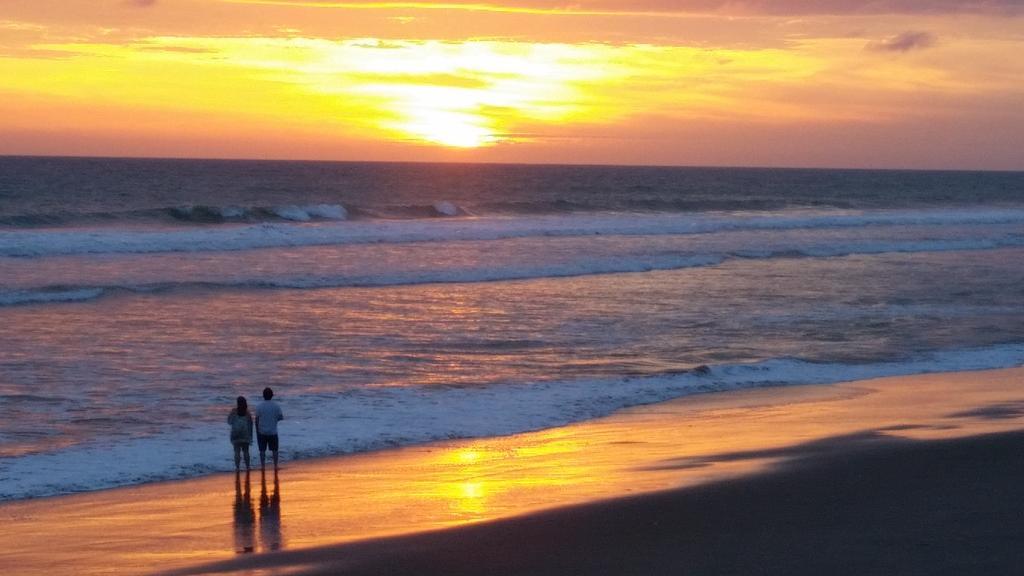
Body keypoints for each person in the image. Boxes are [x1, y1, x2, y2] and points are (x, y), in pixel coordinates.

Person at [255, 387, 284, 469]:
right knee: (275, 450)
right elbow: (281, 417)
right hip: (273, 431)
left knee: (262, 451)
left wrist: (257, 431)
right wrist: (274, 420)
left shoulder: (259, 406)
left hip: (262, 431)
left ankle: (263, 466)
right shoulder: (276, 406)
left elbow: (256, 419)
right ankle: (275, 465)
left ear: (263, 395)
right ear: (272, 395)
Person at [227, 396, 253, 471]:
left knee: (237, 451)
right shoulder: (247, 413)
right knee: (246, 451)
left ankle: (237, 467)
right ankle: (248, 467)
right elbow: (250, 425)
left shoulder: (234, 411)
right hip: (245, 434)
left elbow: (229, 422)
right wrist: (250, 436)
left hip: (235, 434)